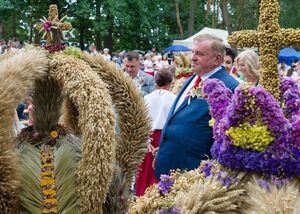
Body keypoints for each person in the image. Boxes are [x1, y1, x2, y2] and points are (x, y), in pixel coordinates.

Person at [155, 34, 239, 179]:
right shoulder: (192, 79)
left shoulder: (230, 87)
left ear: (217, 59)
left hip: (193, 173)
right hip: (170, 167)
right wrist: (163, 151)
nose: (192, 57)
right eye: (193, 52)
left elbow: (226, 137)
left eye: (199, 54)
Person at [136, 68, 176, 196]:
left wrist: (147, 141)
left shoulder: (147, 97)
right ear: (170, 82)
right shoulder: (174, 98)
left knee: (146, 170)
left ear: (156, 81)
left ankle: (143, 195)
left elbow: (141, 121)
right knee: (161, 170)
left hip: (148, 134)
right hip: (165, 135)